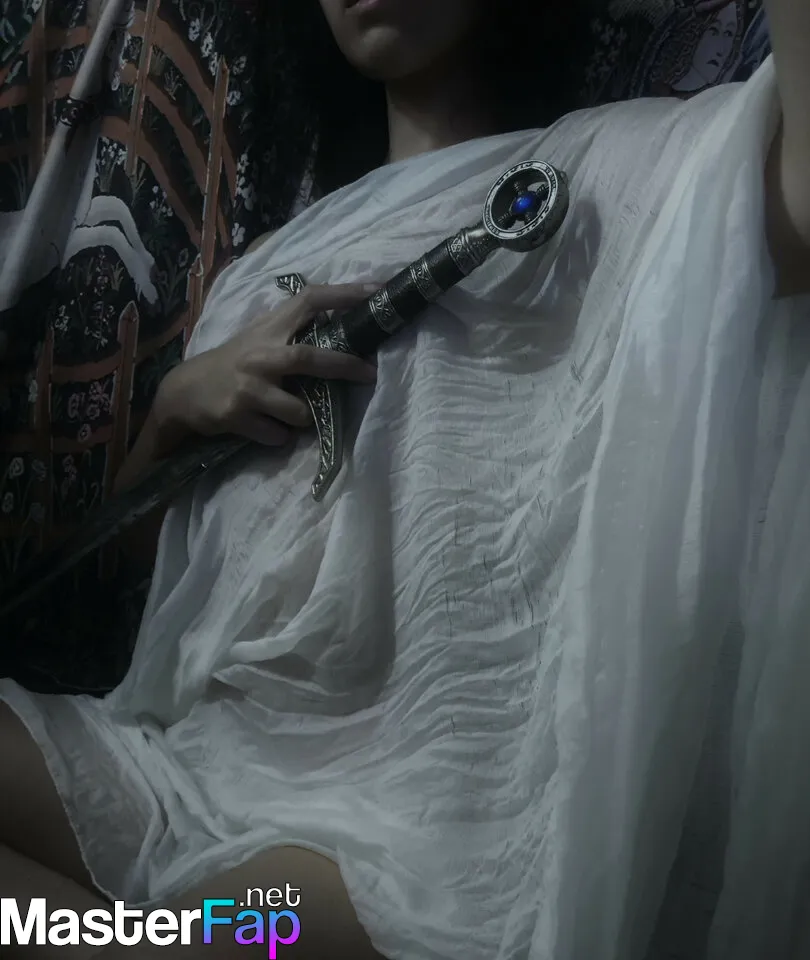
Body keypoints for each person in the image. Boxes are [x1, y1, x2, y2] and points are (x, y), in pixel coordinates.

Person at [1, 1, 809, 958]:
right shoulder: (264, 271)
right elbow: (149, 570)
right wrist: (176, 407)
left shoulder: (622, 171)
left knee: (160, 934)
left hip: (387, 838)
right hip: (177, 769)